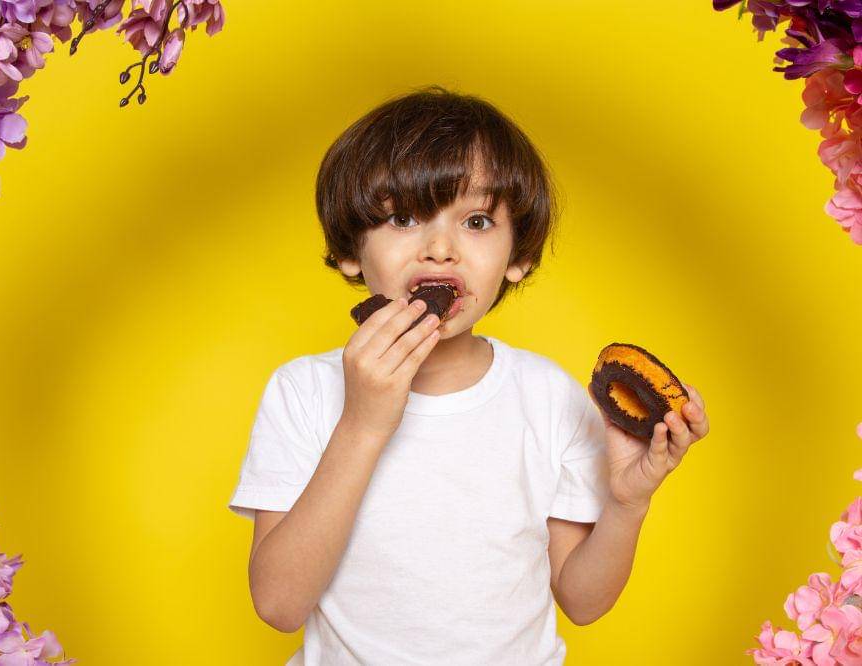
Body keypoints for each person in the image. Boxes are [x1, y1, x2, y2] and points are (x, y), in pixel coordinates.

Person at [227, 84, 710, 665]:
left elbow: (582, 601)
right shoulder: (303, 392)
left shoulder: (549, 396)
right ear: (351, 250)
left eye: (476, 221)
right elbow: (279, 604)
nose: (440, 248)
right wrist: (363, 422)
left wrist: (628, 504)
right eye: (403, 217)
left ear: (517, 257)